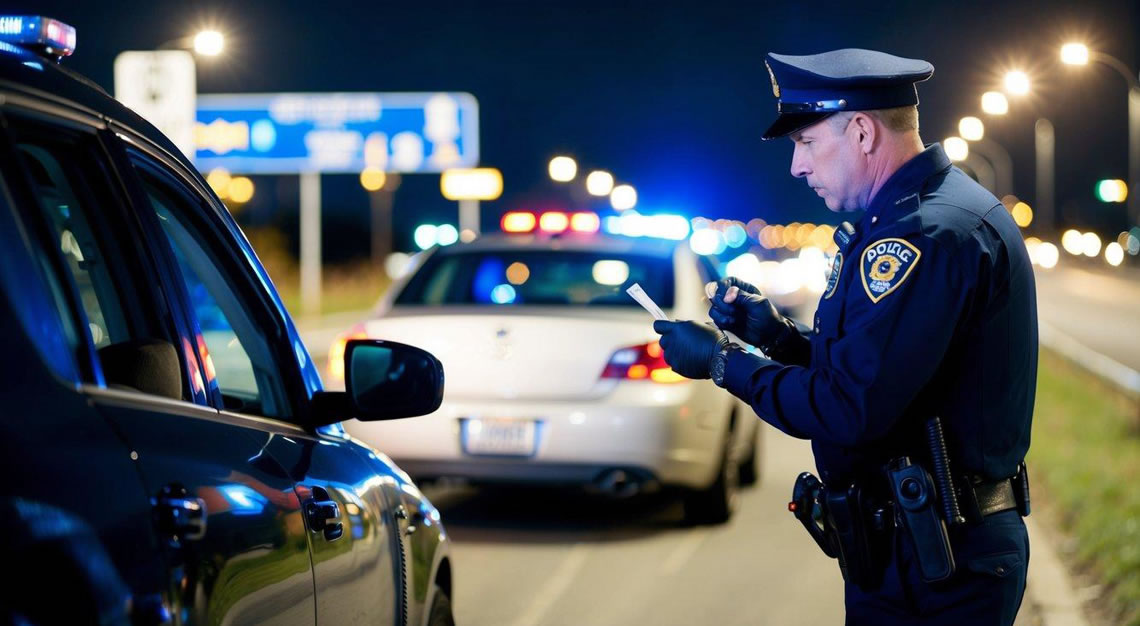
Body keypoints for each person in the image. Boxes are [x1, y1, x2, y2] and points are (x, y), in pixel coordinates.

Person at [653, 48, 1037, 625]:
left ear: (860, 131)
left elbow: (849, 408)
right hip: (921, 546)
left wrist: (722, 363)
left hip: (939, 560)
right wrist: (778, 338)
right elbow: (887, 373)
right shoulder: (917, 217)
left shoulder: (924, 234)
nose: (797, 167)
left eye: (805, 143)